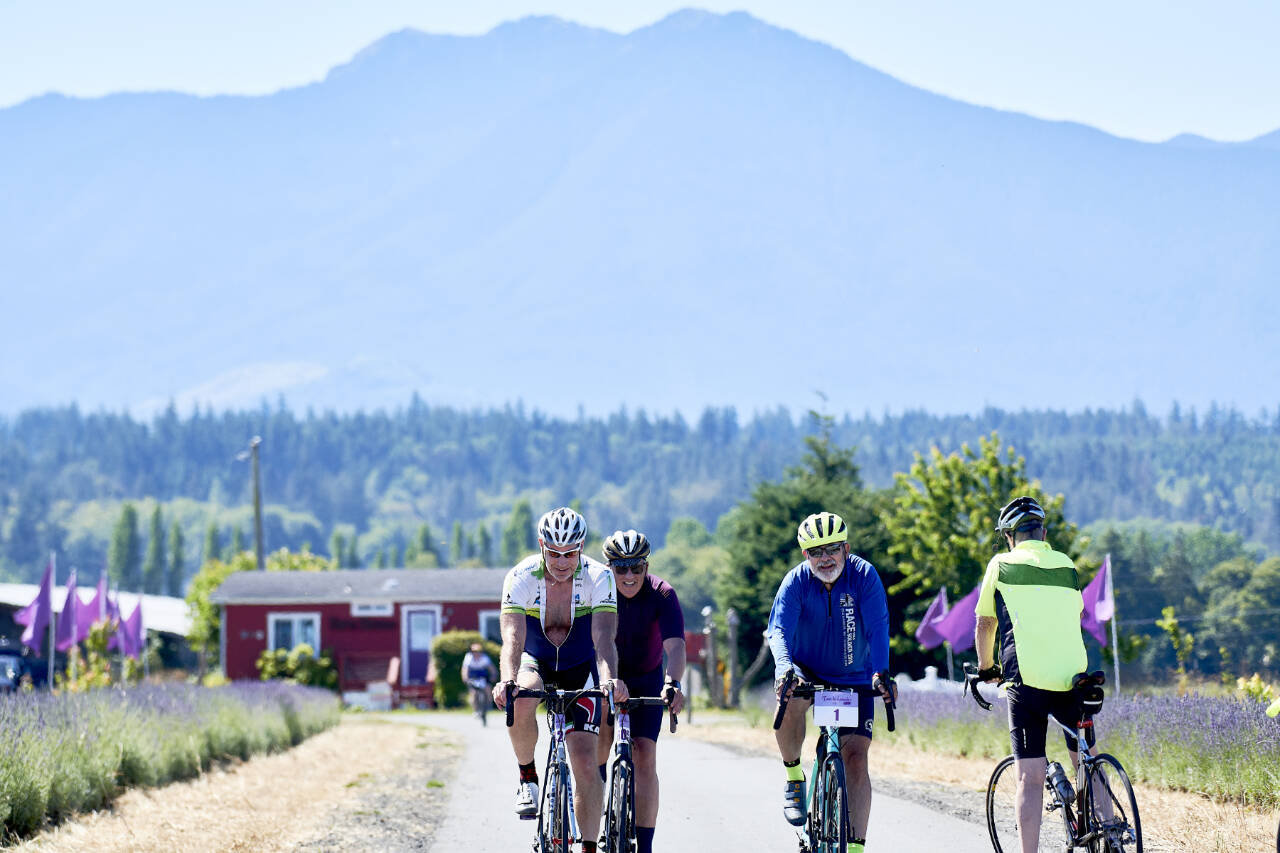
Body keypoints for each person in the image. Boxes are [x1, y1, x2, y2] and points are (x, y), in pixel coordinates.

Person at [492, 506, 627, 853]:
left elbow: (603, 639)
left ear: (581, 547)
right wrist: (507, 679)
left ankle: (589, 846)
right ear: (541, 545)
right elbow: (512, 639)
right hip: (534, 660)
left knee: (584, 761)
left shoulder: (599, 577)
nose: (562, 561)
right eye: (554, 553)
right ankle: (527, 776)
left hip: (582, 667)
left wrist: (610, 679)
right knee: (521, 696)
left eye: (570, 553)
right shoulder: (521, 576)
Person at [767, 511, 893, 853]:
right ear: (805, 555)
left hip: (856, 675)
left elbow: (878, 627)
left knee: (855, 758)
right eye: (816, 552)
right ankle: (794, 776)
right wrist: (783, 669)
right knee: (789, 699)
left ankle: (855, 847)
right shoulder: (795, 582)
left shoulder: (864, 576)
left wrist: (881, 671)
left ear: (846, 548)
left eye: (833, 549)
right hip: (807, 668)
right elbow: (778, 631)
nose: (825, 558)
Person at [974, 495, 1090, 853]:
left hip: (1028, 681)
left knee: (1030, 776)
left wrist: (985, 668)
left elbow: (986, 623)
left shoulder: (1002, 563)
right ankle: (1108, 828)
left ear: (1010, 535)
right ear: (1043, 531)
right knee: (1086, 758)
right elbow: (1078, 615)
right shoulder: (1067, 564)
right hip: (1076, 676)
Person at [593, 529, 686, 853]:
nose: (629, 575)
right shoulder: (597, 591)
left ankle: (644, 845)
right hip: (607, 673)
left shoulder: (662, 594)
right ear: (609, 568)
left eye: (637, 567)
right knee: (600, 736)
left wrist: (672, 682)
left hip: (647, 678)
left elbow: (675, 646)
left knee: (645, 756)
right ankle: (600, 793)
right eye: (621, 568)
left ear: (646, 566)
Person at [460, 642, 498, 720]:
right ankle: (476, 710)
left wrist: (493, 676)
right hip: (473, 677)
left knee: (488, 689)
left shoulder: (485, 658)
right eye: (474, 651)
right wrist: (465, 678)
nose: (476, 653)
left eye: (478, 651)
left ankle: (488, 705)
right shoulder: (468, 657)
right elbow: (465, 669)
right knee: (473, 693)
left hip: (482, 677)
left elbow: (492, 669)